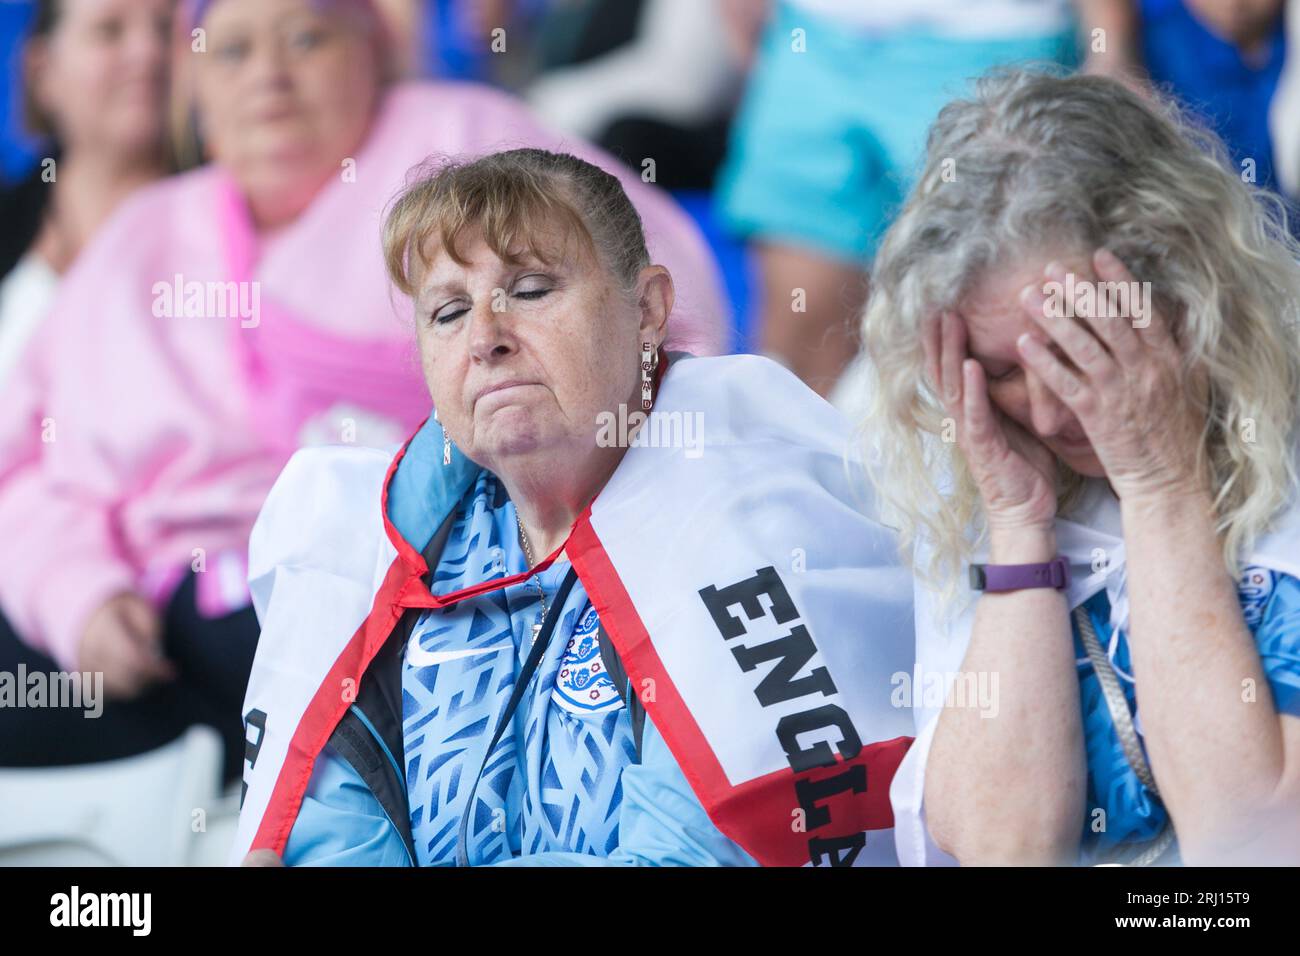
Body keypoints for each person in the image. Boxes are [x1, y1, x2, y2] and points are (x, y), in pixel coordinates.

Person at [0, 0, 727, 784]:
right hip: (150, 623)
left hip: (416, 597)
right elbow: (23, 469)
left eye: (306, 39)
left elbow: (663, 304)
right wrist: (79, 598)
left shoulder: (468, 147)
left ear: (373, 53)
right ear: (196, 91)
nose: (270, 78)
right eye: (232, 53)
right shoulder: (145, 235)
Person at [231, 148, 917, 867]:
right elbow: (324, 842)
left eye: (529, 289)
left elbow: (697, 859)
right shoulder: (368, 549)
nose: (485, 337)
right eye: (448, 311)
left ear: (648, 309)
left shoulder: (756, 520)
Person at [860, 68, 1300, 866]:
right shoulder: (969, 461)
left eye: (1079, 353)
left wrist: (1161, 487)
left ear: (1187, 286)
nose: (1052, 413)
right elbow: (1004, 848)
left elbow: (1250, 846)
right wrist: (1020, 527)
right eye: (1000, 370)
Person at [715, 0, 1083, 399]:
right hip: (816, 34)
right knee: (797, 360)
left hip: (995, 42)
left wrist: (1111, 43)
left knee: (987, 347)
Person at [0, 0, 173, 389]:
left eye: (165, 30)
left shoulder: (239, 222)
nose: (148, 52)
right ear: (43, 71)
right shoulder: (9, 220)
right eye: (109, 31)